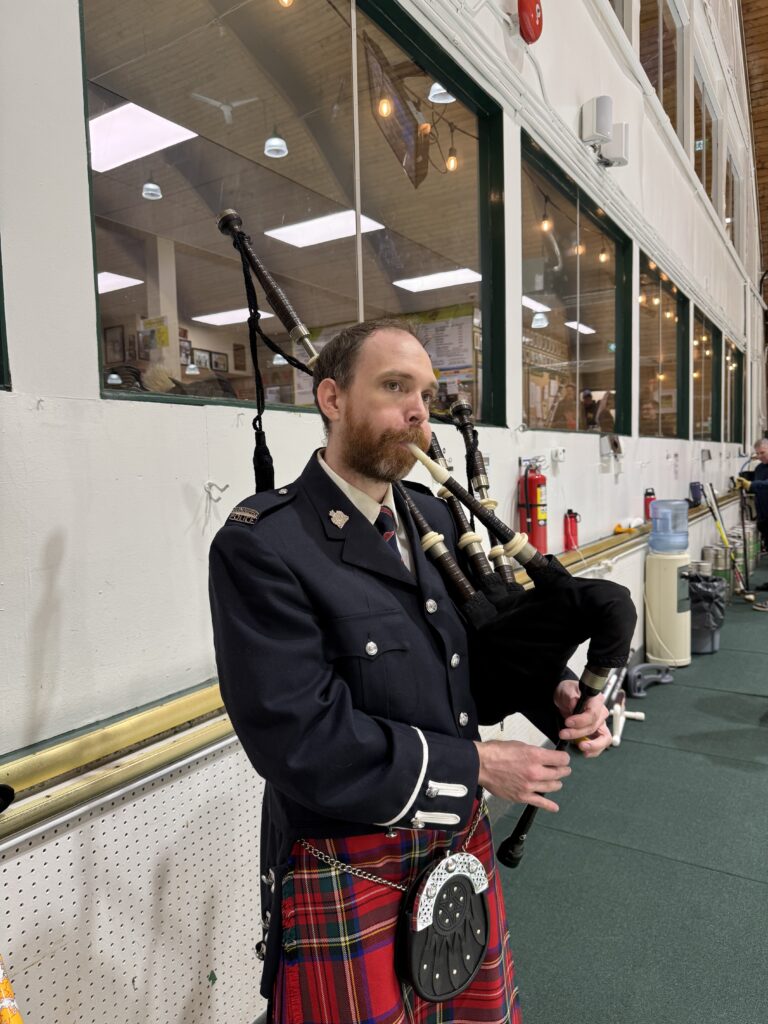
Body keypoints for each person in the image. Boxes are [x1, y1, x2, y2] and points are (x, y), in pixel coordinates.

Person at [209, 318, 611, 1023]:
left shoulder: (431, 517)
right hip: (347, 854)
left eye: (425, 392)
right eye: (395, 388)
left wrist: (560, 695)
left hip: (454, 841)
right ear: (331, 398)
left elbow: (479, 663)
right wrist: (477, 767)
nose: (418, 411)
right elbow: (296, 738)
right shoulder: (265, 546)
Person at [736, 438, 768, 608]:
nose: (760, 456)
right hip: (764, 517)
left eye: (763, 453)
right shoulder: (760, 468)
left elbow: (763, 485)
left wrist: (751, 484)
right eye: (758, 453)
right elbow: (756, 484)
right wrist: (742, 481)